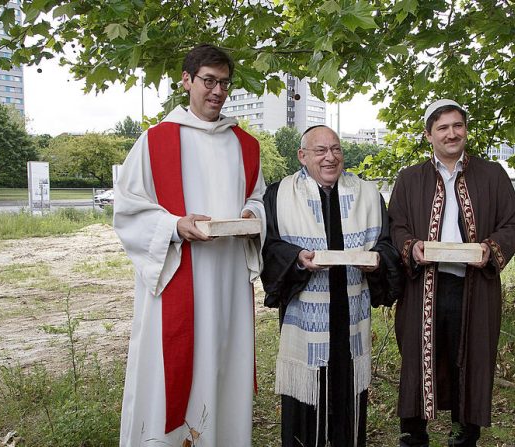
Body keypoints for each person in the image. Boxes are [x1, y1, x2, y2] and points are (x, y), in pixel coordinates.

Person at [114, 44, 265, 447]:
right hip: (179, 274)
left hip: (230, 281)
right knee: (174, 371)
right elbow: (128, 209)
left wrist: (253, 216)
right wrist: (175, 225)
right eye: (208, 81)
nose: (217, 91)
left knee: (223, 364)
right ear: (187, 80)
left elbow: (257, 198)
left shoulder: (245, 145)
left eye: (224, 83)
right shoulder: (155, 141)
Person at [388, 99, 515, 447]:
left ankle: (465, 436)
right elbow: (396, 226)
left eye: (457, 126)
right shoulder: (409, 178)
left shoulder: (491, 174)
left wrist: (489, 248)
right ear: (428, 135)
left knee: (471, 357)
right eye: (443, 128)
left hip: (474, 286)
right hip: (423, 286)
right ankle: (414, 435)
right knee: (420, 357)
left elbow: (513, 224)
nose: (452, 133)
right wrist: (412, 247)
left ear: (465, 129)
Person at [261, 125, 403, 446]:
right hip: (305, 321)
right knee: (305, 408)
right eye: (320, 150)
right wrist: (298, 258)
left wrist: (377, 259)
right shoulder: (279, 195)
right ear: (302, 156)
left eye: (336, 149)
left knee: (347, 401)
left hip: (349, 319)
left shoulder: (367, 195)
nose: (330, 157)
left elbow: (388, 244)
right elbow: (268, 248)